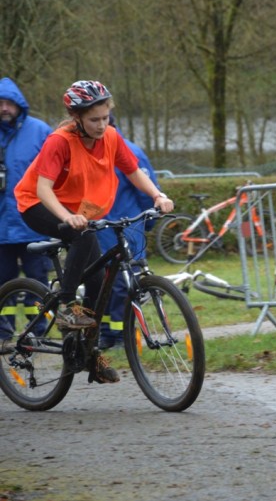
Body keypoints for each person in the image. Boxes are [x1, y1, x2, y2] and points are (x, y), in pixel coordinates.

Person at [14, 80, 174, 382]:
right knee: (83, 235)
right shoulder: (59, 141)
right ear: (77, 118)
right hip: (38, 204)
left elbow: (133, 170)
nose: (102, 125)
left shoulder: (111, 137)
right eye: (94, 120)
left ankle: (87, 352)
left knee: (99, 281)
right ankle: (65, 305)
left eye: (105, 118)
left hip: (80, 211)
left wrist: (158, 195)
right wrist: (66, 217)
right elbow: (43, 189)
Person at [96, 116, 160, 350]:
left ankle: (121, 334)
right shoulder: (90, 152)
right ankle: (106, 334)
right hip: (100, 227)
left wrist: (148, 222)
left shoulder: (129, 151)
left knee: (124, 284)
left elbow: (145, 191)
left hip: (126, 227)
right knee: (103, 285)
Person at [0, 77, 53, 342]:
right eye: (0, 104)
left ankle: (38, 331)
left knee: (38, 282)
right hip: (1, 230)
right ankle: (4, 332)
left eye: (9, 103)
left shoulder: (40, 132)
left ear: (19, 104)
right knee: (3, 285)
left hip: (34, 225)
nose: (4, 108)